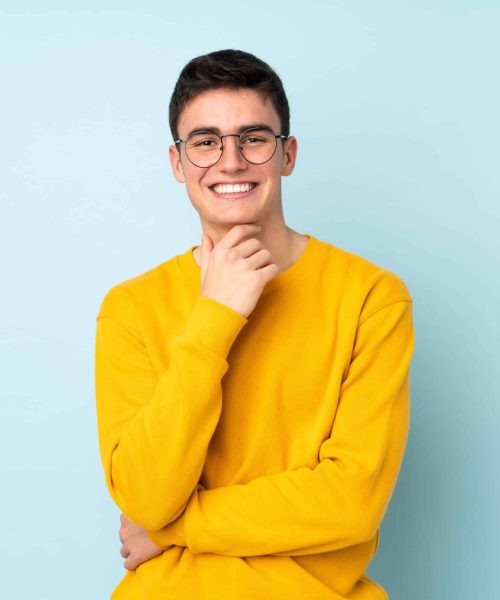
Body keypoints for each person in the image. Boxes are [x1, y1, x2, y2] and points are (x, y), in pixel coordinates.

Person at [94, 49, 415, 599]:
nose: (231, 161)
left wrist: (176, 529)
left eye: (254, 138)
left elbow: (350, 504)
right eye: (205, 141)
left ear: (287, 154)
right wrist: (216, 316)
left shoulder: (371, 298)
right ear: (178, 164)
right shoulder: (131, 308)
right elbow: (145, 499)